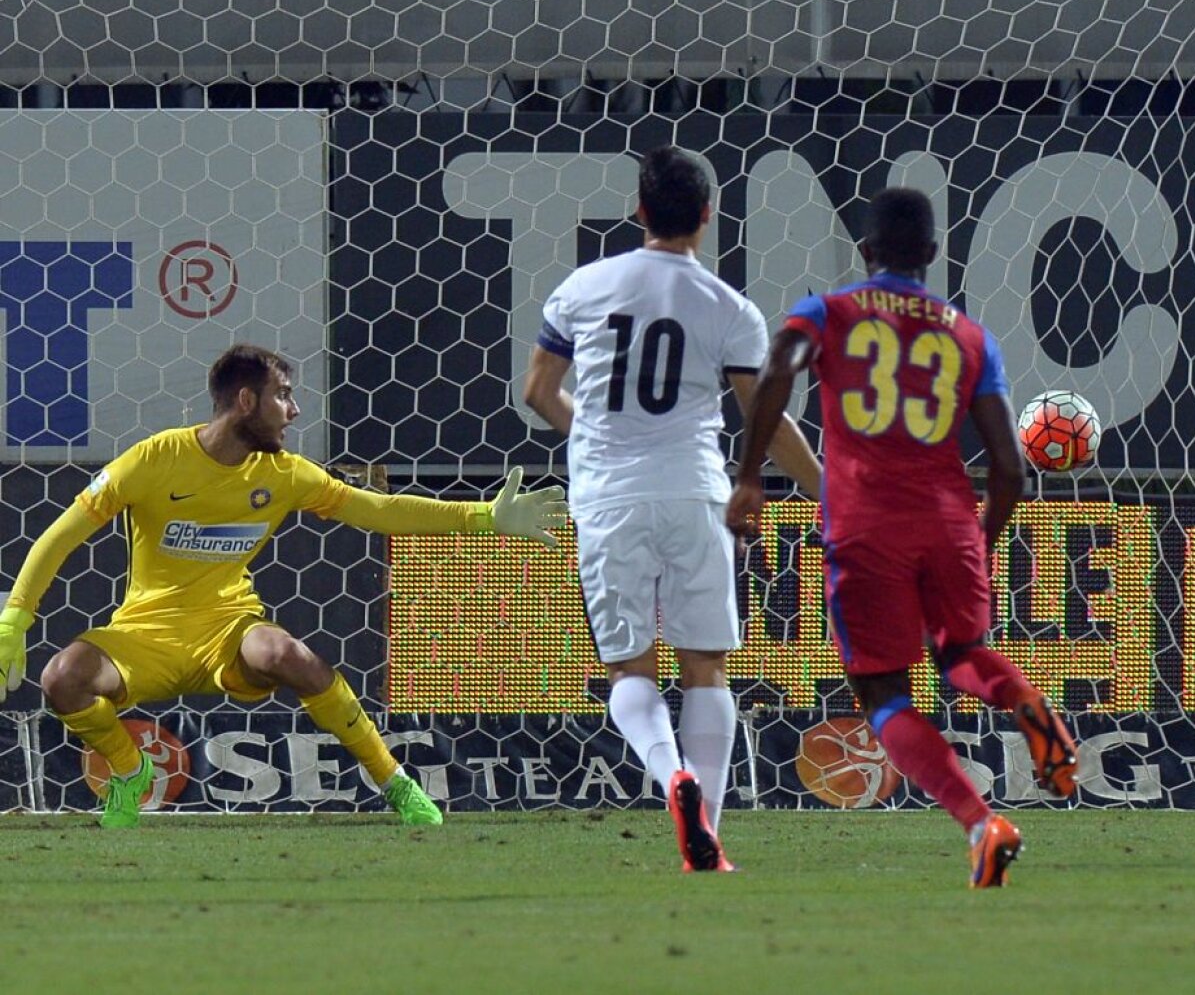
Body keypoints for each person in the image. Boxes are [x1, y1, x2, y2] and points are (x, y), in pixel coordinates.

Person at [0, 343, 567, 829]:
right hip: (145, 635)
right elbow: (59, 536)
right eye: (283, 396)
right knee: (61, 678)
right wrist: (14, 619)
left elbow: (379, 510)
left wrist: (484, 518)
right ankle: (128, 771)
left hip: (228, 629)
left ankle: (394, 783)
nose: (293, 411)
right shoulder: (154, 459)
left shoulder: (285, 474)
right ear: (246, 401)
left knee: (286, 653)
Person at [726, 186, 1078, 888]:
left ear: (865, 252)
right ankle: (1030, 705)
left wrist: (750, 475)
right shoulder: (970, 336)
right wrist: (978, 537)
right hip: (949, 521)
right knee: (965, 652)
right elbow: (1009, 468)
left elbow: (776, 371)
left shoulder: (829, 312)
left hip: (867, 527)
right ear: (933, 255)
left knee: (883, 690)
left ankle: (983, 823)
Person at [523, 145, 821, 872]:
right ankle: (707, 834)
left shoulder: (582, 288)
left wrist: (595, 437)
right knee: (707, 666)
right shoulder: (730, 308)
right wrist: (829, 492)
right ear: (709, 217)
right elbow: (767, 423)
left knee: (631, 670)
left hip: (609, 498)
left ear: (639, 210)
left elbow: (536, 391)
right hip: (696, 492)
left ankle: (669, 775)